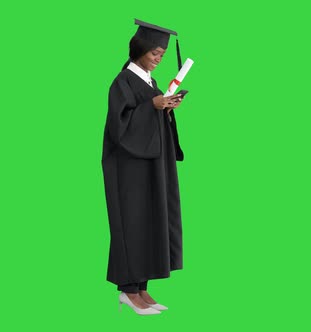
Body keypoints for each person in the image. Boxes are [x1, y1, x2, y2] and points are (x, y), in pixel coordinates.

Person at [101, 19, 187, 316]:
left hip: (150, 163)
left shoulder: (149, 81)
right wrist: (152, 106)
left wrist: (165, 107)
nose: (158, 59)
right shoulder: (123, 81)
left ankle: (141, 288)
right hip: (129, 168)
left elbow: (151, 115)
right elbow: (119, 126)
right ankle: (127, 290)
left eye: (162, 55)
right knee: (133, 222)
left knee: (151, 220)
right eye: (155, 53)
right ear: (139, 49)